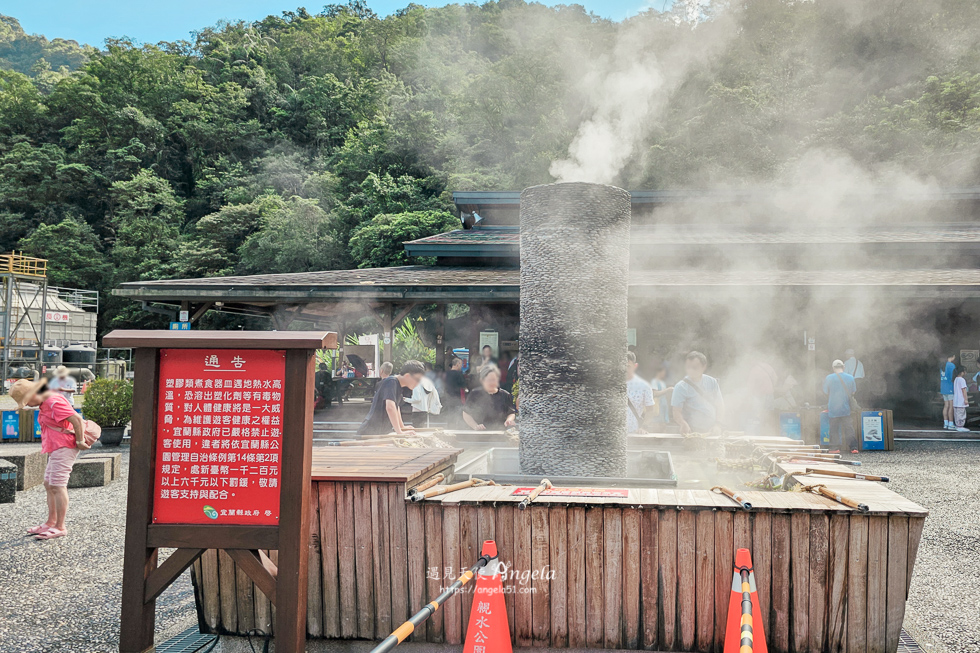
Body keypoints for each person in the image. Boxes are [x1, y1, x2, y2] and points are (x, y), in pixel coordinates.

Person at [11, 377, 90, 540]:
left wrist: (80, 440)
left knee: (57, 485)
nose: (28, 405)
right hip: (56, 448)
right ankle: (51, 522)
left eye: (27, 401)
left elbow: (75, 419)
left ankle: (60, 526)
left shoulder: (53, 401)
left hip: (64, 447)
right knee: (49, 484)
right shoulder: (46, 402)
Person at [356, 360, 425, 436]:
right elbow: (390, 407)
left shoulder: (397, 385)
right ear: (407, 376)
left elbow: (396, 407)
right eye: (418, 379)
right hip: (370, 430)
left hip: (380, 431)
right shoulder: (392, 382)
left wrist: (402, 427)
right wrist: (399, 432)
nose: (418, 383)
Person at [671, 351, 725, 435]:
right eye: (688, 367)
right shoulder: (680, 387)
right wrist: (683, 423)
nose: (691, 370)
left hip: (712, 429)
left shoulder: (712, 382)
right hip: (692, 430)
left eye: (694, 367)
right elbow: (676, 411)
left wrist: (718, 424)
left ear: (704, 367)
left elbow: (720, 405)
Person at [463, 364, 517, 430]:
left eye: (494, 380)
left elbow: (511, 413)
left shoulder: (505, 395)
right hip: (478, 435)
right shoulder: (475, 394)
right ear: (482, 380)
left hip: (499, 434)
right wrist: (475, 426)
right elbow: (466, 413)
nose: (492, 383)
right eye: (489, 380)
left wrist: (509, 420)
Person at [823, 359, 859, 453]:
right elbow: (853, 392)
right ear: (843, 367)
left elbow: (825, 392)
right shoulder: (850, 378)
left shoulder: (829, 378)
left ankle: (835, 448)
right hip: (846, 408)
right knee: (849, 428)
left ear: (833, 368)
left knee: (834, 429)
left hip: (833, 408)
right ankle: (853, 448)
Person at [626, 352, 655, 434]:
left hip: (634, 432)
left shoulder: (644, 386)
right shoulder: (610, 385)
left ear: (635, 366)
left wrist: (644, 427)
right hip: (613, 435)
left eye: (628, 366)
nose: (624, 369)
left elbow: (650, 410)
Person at [443, 357, 467, 427]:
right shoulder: (459, 374)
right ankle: (457, 427)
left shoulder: (446, 373)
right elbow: (463, 386)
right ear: (457, 364)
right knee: (459, 413)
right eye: (461, 364)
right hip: (457, 397)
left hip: (447, 397)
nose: (461, 366)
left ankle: (449, 427)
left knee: (450, 412)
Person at [941, 353, 957, 430]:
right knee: (951, 406)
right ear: (952, 356)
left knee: (946, 406)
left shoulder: (942, 365)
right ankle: (951, 423)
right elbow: (953, 377)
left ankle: (945, 423)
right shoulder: (951, 365)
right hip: (950, 387)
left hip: (943, 388)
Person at [953, 366, 970, 432]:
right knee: (961, 413)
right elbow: (964, 390)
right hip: (961, 400)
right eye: (964, 371)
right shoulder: (962, 380)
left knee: (957, 414)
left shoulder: (956, 379)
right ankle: (960, 426)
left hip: (956, 400)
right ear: (962, 372)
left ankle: (957, 425)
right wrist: (966, 399)